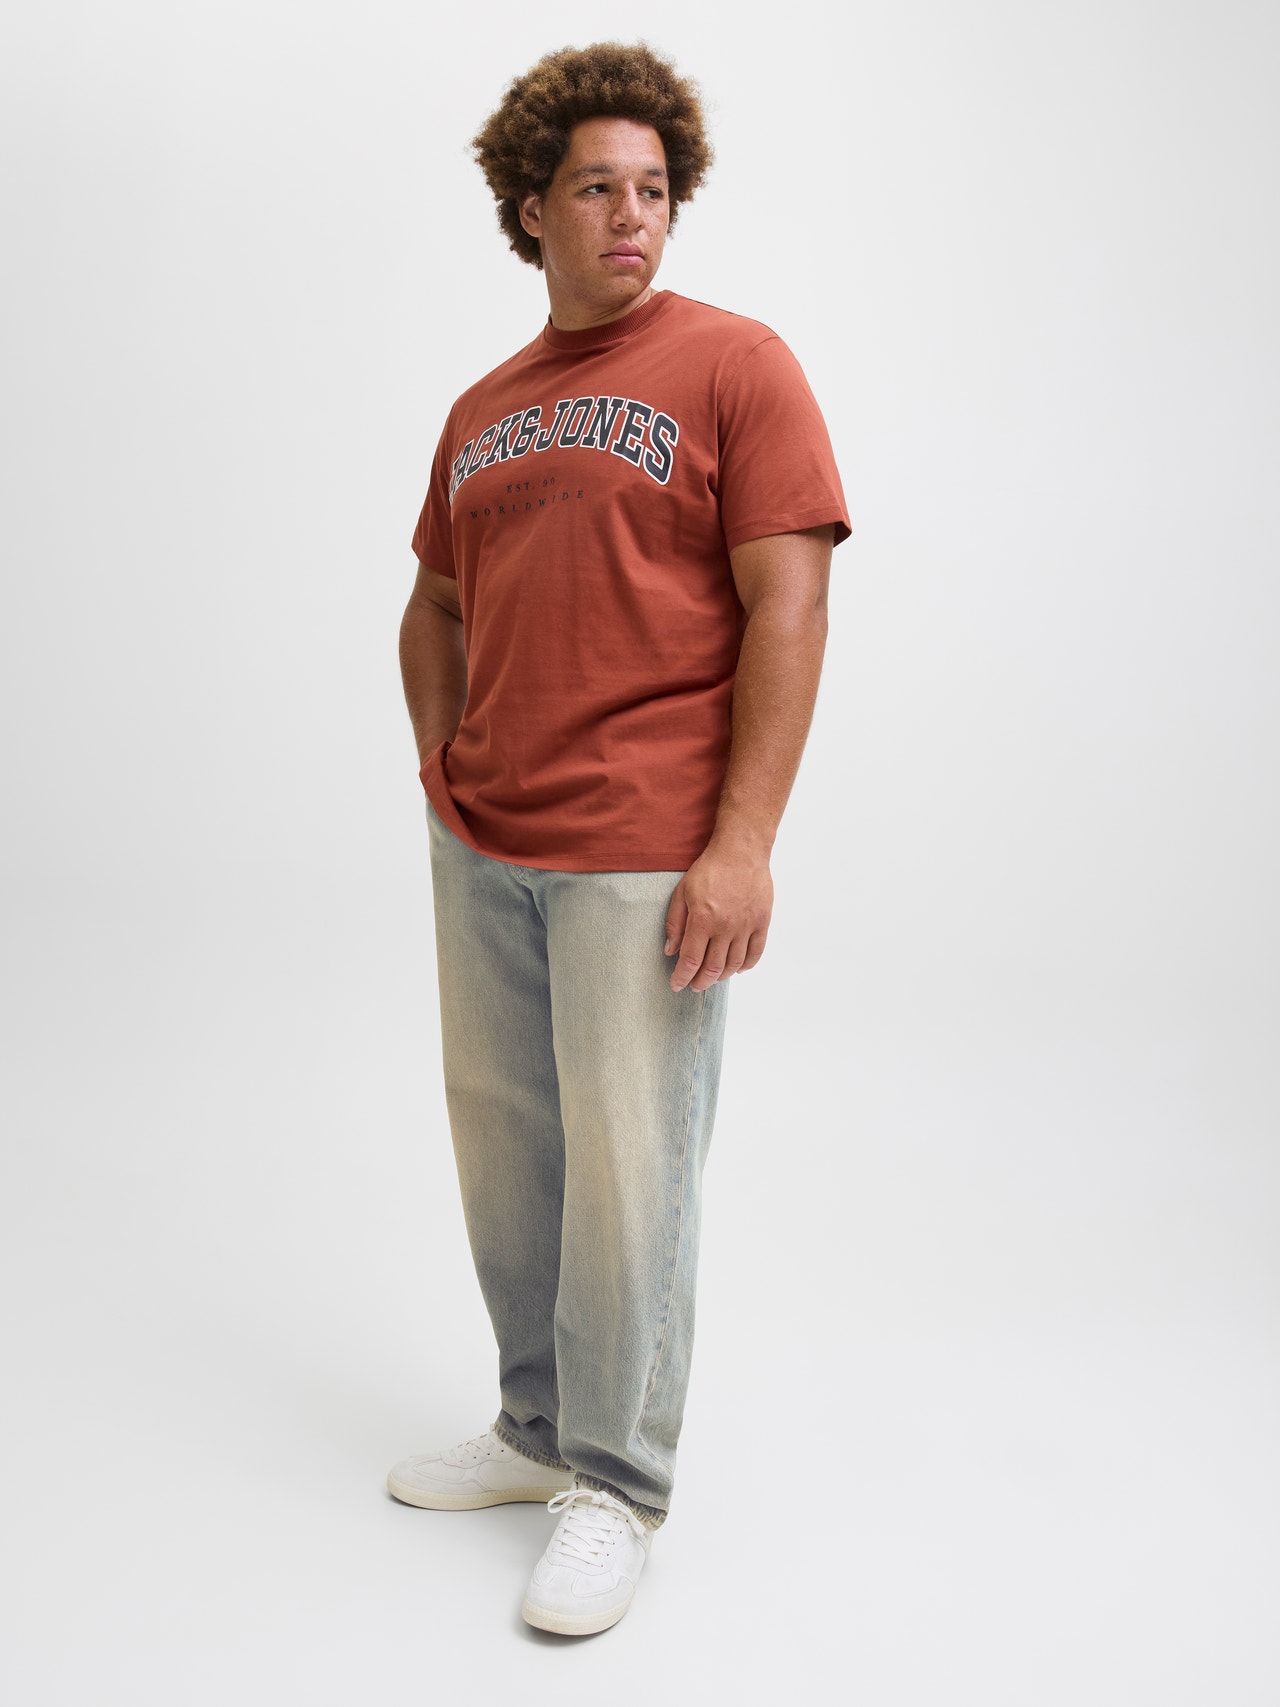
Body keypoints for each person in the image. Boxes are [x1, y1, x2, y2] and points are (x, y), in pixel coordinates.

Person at [390, 41, 850, 1636]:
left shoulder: (736, 367)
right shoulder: (483, 409)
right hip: (487, 841)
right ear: (534, 208)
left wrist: (744, 843)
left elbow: (791, 603)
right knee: (511, 1150)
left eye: (653, 188)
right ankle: (535, 1428)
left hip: (644, 847)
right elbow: (435, 603)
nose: (633, 215)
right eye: (597, 187)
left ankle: (619, 1481)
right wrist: (443, 764)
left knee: (631, 1172)